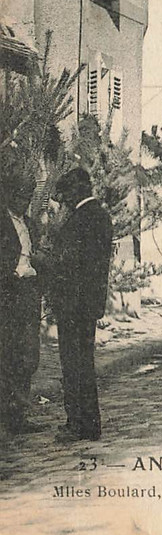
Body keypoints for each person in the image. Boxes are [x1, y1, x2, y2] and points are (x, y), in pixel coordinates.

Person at [49, 168, 113, 442]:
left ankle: (78, 424)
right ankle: (89, 423)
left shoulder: (83, 218)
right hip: (86, 303)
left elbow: (69, 263)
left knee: (73, 364)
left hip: (74, 304)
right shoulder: (99, 215)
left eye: (66, 194)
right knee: (83, 363)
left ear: (78, 190)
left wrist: (43, 262)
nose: (64, 200)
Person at [0, 172, 42, 436]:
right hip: (8, 294)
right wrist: (12, 274)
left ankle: (20, 414)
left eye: (28, 197)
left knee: (28, 355)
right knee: (8, 355)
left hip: (28, 294)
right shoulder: (3, 222)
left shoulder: (30, 224)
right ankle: (7, 415)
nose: (24, 202)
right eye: (20, 196)